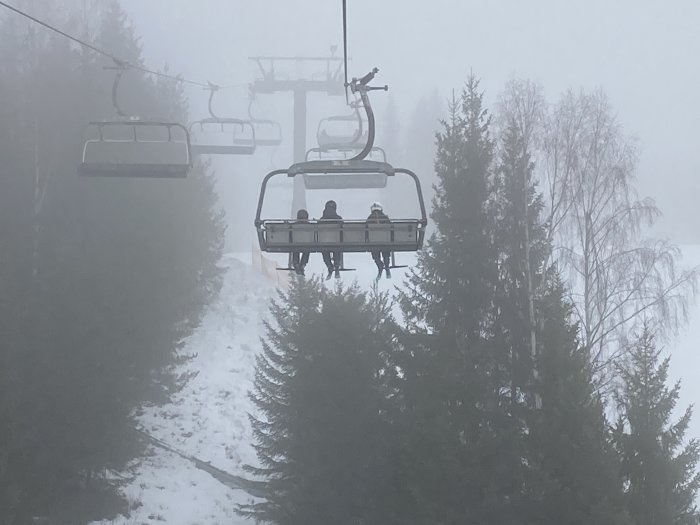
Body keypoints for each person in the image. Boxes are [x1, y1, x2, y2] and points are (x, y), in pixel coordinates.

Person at [367, 201, 391, 279]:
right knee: (386, 253)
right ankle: (387, 267)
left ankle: (380, 266)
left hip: (373, 243)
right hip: (385, 242)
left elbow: (365, 230)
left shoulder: (369, 219)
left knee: (376, 256)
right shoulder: (385, 218)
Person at [320, 199, 342, 279]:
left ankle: (329, 265)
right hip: (336, 242)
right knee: (338, 248)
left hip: (324, 243)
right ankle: (337, 266)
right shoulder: (339, 219)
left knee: (324, 250)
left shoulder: (321, 220)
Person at [291, 208, 310, 276]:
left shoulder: (292, 226)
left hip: (295, 244)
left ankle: (296, 263)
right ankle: (303, 264)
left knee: (295, 248)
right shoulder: (310, 226)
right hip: (307, 244)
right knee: (308, 248)